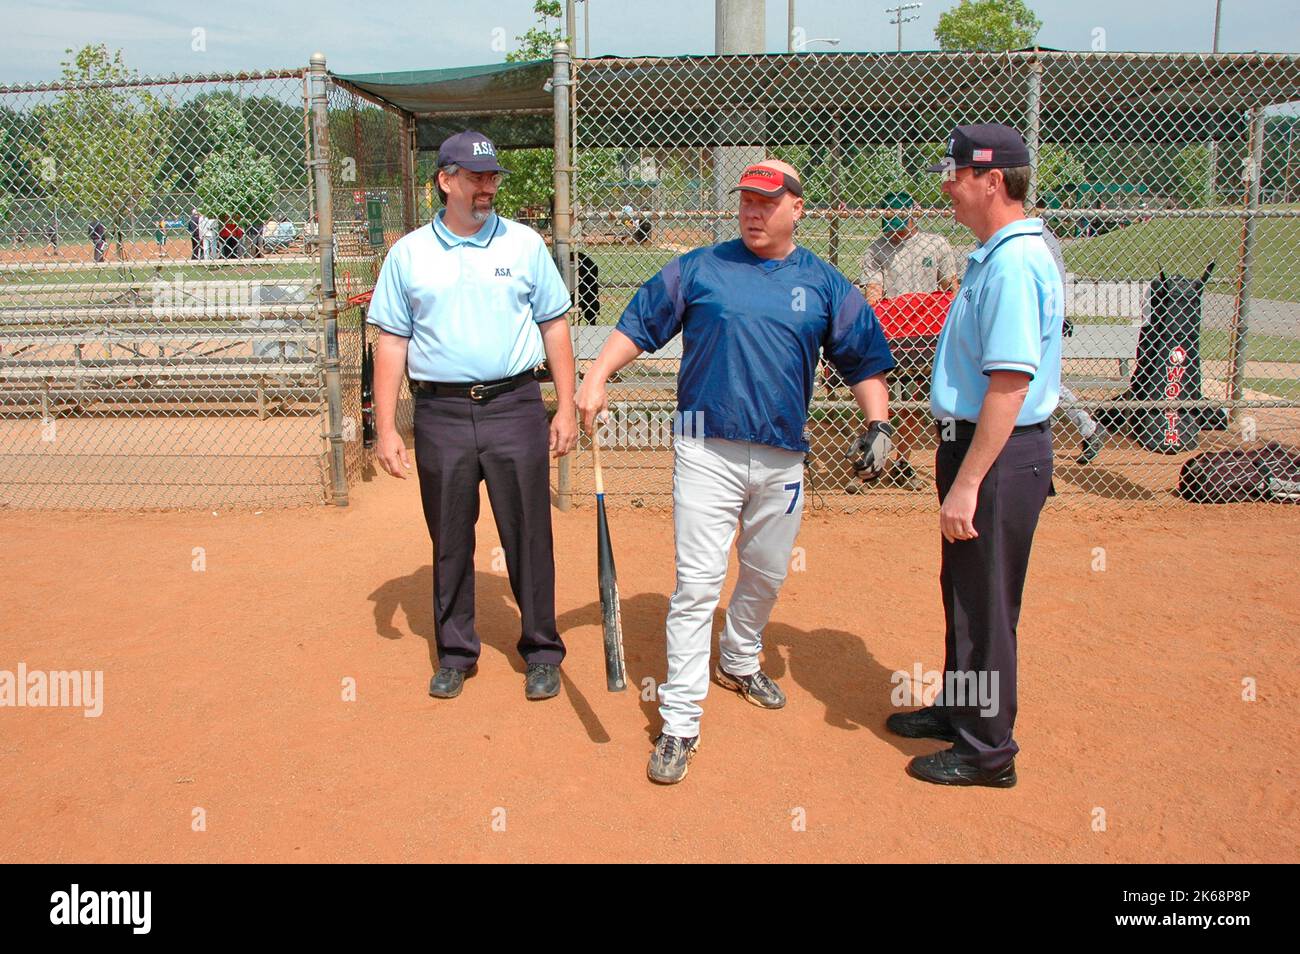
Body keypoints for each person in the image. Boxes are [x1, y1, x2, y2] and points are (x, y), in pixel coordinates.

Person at [576, 159, 895, 785]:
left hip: (781, 451)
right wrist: (596, 375)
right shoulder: (701, 268)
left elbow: (862, 357)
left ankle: (741, 656)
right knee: (697, 584)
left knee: (767, 572)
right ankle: (680, 722)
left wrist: (878, 423)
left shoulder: (825, 284)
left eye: (767, 202)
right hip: (704, 447)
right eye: (746, 200)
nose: (753, 211)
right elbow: (640, 321)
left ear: (797, 209)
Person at [367, 130, 578, 702]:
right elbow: (391, 342)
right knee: (451, 535)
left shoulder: (524, 245)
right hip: (441, 411)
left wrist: (566, 405)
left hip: (514, 405)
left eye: (492, 178)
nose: (488, 188)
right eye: (476, 177)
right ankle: (456, 651)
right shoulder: (409, 253)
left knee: (529, 531)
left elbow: (554, 324)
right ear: (446, 180)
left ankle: (540, 649)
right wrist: (386, 428)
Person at [887, 123, 1063, 788]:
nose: (947, 186)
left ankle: (987, 751)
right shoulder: (996, 253)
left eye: (957, 174)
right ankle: (962, 710)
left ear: (993, 182)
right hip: (978, 449)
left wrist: (968, 483)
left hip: (997, 454)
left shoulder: (1016, 263)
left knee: (986, 604)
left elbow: (1010, 384)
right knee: (963, 591)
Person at [1034, 199, 1108, 464]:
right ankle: (1088, 428)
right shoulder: (1035, 235)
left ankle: (1087, 428)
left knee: (1042, 381)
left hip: (1041, 318)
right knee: (1041, 380)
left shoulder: (1040, 237)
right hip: (1041, 316)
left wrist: (1056, 313)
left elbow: (1054, 277)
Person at [858, 191, 959, 306]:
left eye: (899, 226)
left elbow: (951, 289)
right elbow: (873, 298)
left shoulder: (936, 244)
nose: (894, 231)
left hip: (928, 314)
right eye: (890, 224)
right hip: (893, 314)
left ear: (913, 216)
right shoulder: (875, 250)